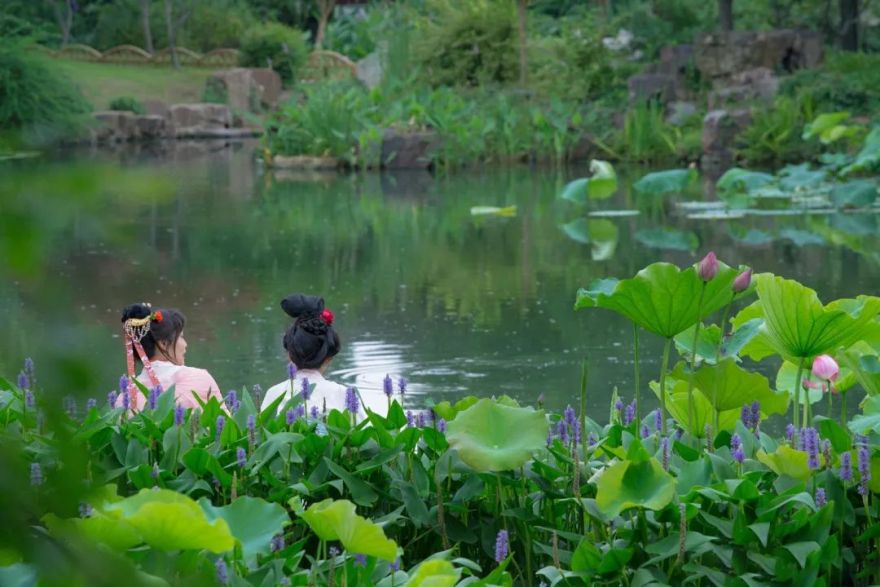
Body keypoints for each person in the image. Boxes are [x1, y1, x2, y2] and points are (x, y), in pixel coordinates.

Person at [261, 294, 388, 418]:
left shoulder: (274, 394)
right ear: (329, 358)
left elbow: (260, 434)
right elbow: (364, 435)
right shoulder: (344, 395)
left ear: (289, 355)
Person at [116, 302, 224, 411]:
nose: (185, 344)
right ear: (163, 343)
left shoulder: (124, 398)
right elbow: (224, 422)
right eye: (181, 337)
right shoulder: (198, 379)